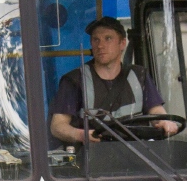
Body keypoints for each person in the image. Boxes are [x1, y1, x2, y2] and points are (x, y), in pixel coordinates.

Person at [49, 16, 178, 144]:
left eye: (108, 39)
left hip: (137, 155)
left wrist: (164, 121)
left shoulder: (139, 76)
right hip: (93, 159)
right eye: (95, 40)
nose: (100, 45)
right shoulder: (74, 80)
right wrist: (81, 135)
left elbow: (155, 110)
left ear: (122, 43)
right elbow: (57, 126)